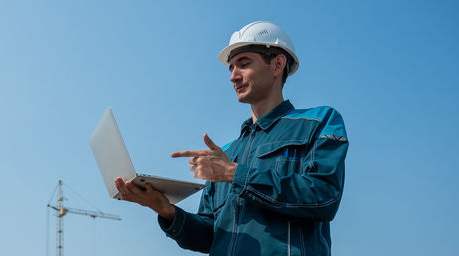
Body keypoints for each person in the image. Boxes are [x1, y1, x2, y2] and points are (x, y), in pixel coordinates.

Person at [114, 21, 349, 255]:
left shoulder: (319, 122)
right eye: (231, 68)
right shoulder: (226, 154)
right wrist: (166, 211)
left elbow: (324, 197)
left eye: (243, 64)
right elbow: (210, 236)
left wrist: (235, 174)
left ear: (278, 64)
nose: (233, 77)